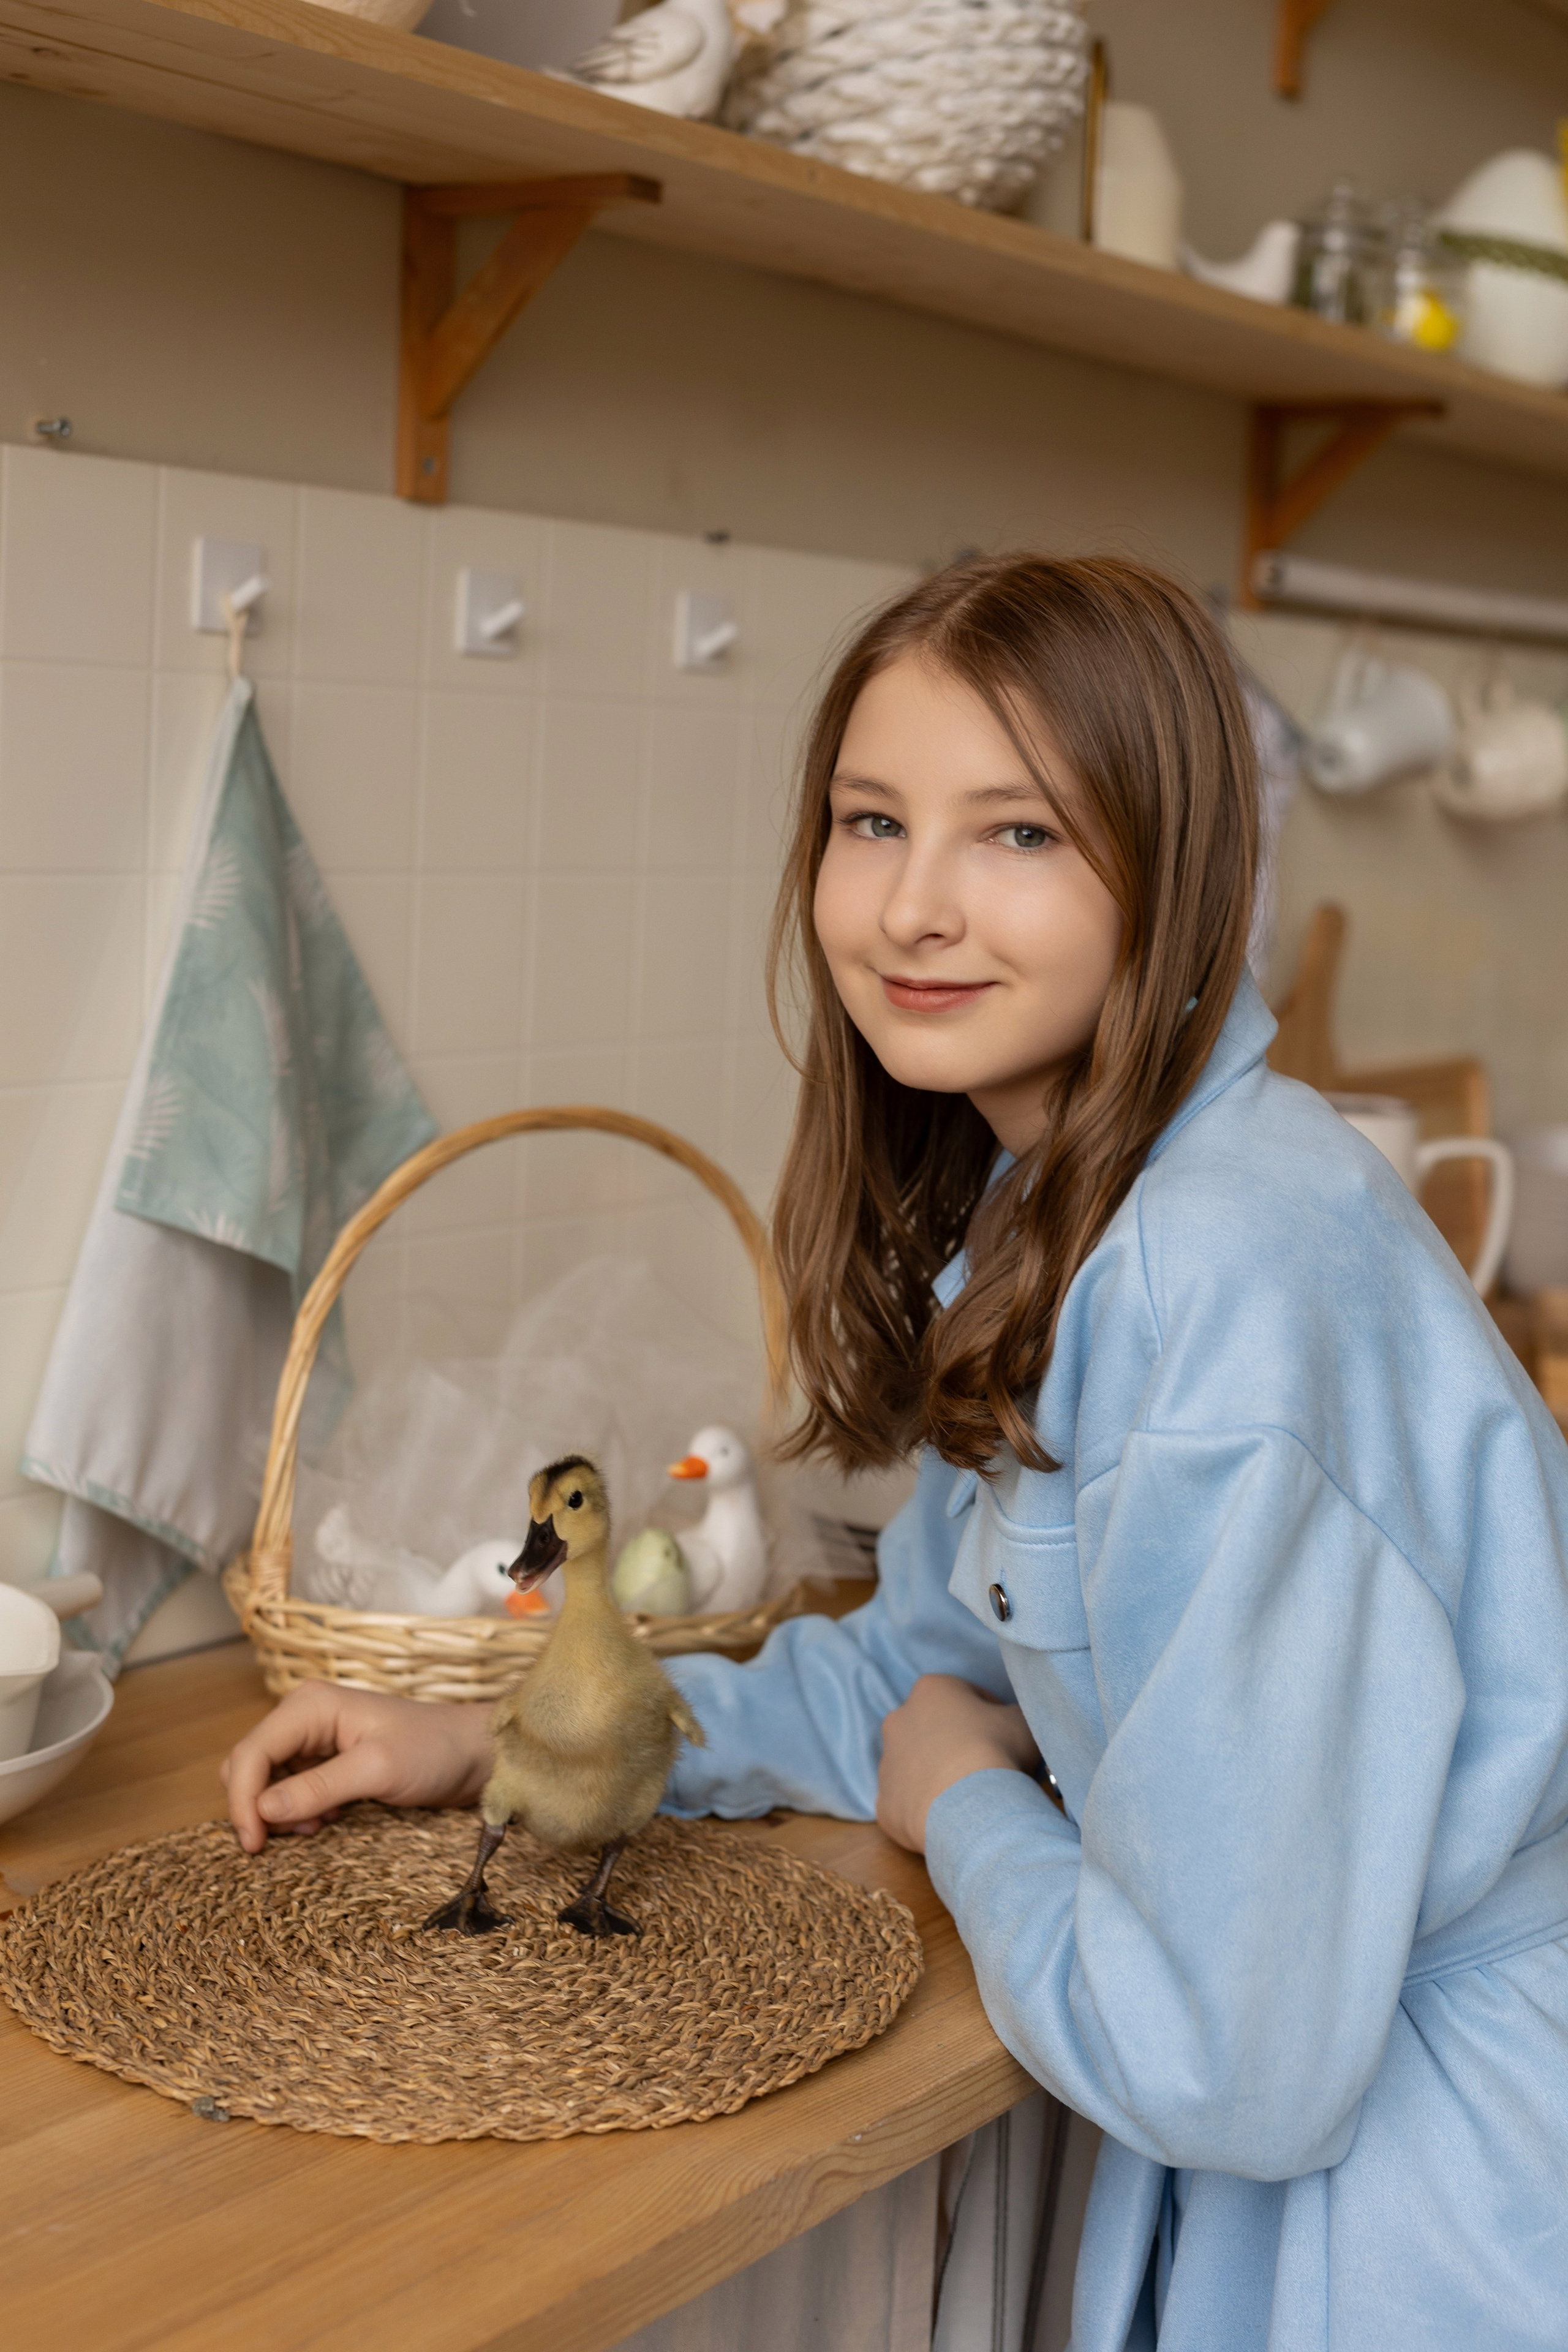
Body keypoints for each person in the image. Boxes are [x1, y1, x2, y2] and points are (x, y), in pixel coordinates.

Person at [224, 556, 1568, 2350]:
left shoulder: (1222, 1287)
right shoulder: (1076, 1210)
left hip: (1443, 2207)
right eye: (874, 821)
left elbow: (1227, 2067)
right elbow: (916, 1658)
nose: (915, 907)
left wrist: (968, 1811)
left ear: (1176, 875)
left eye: (1017, 835)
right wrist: (494, 1743)